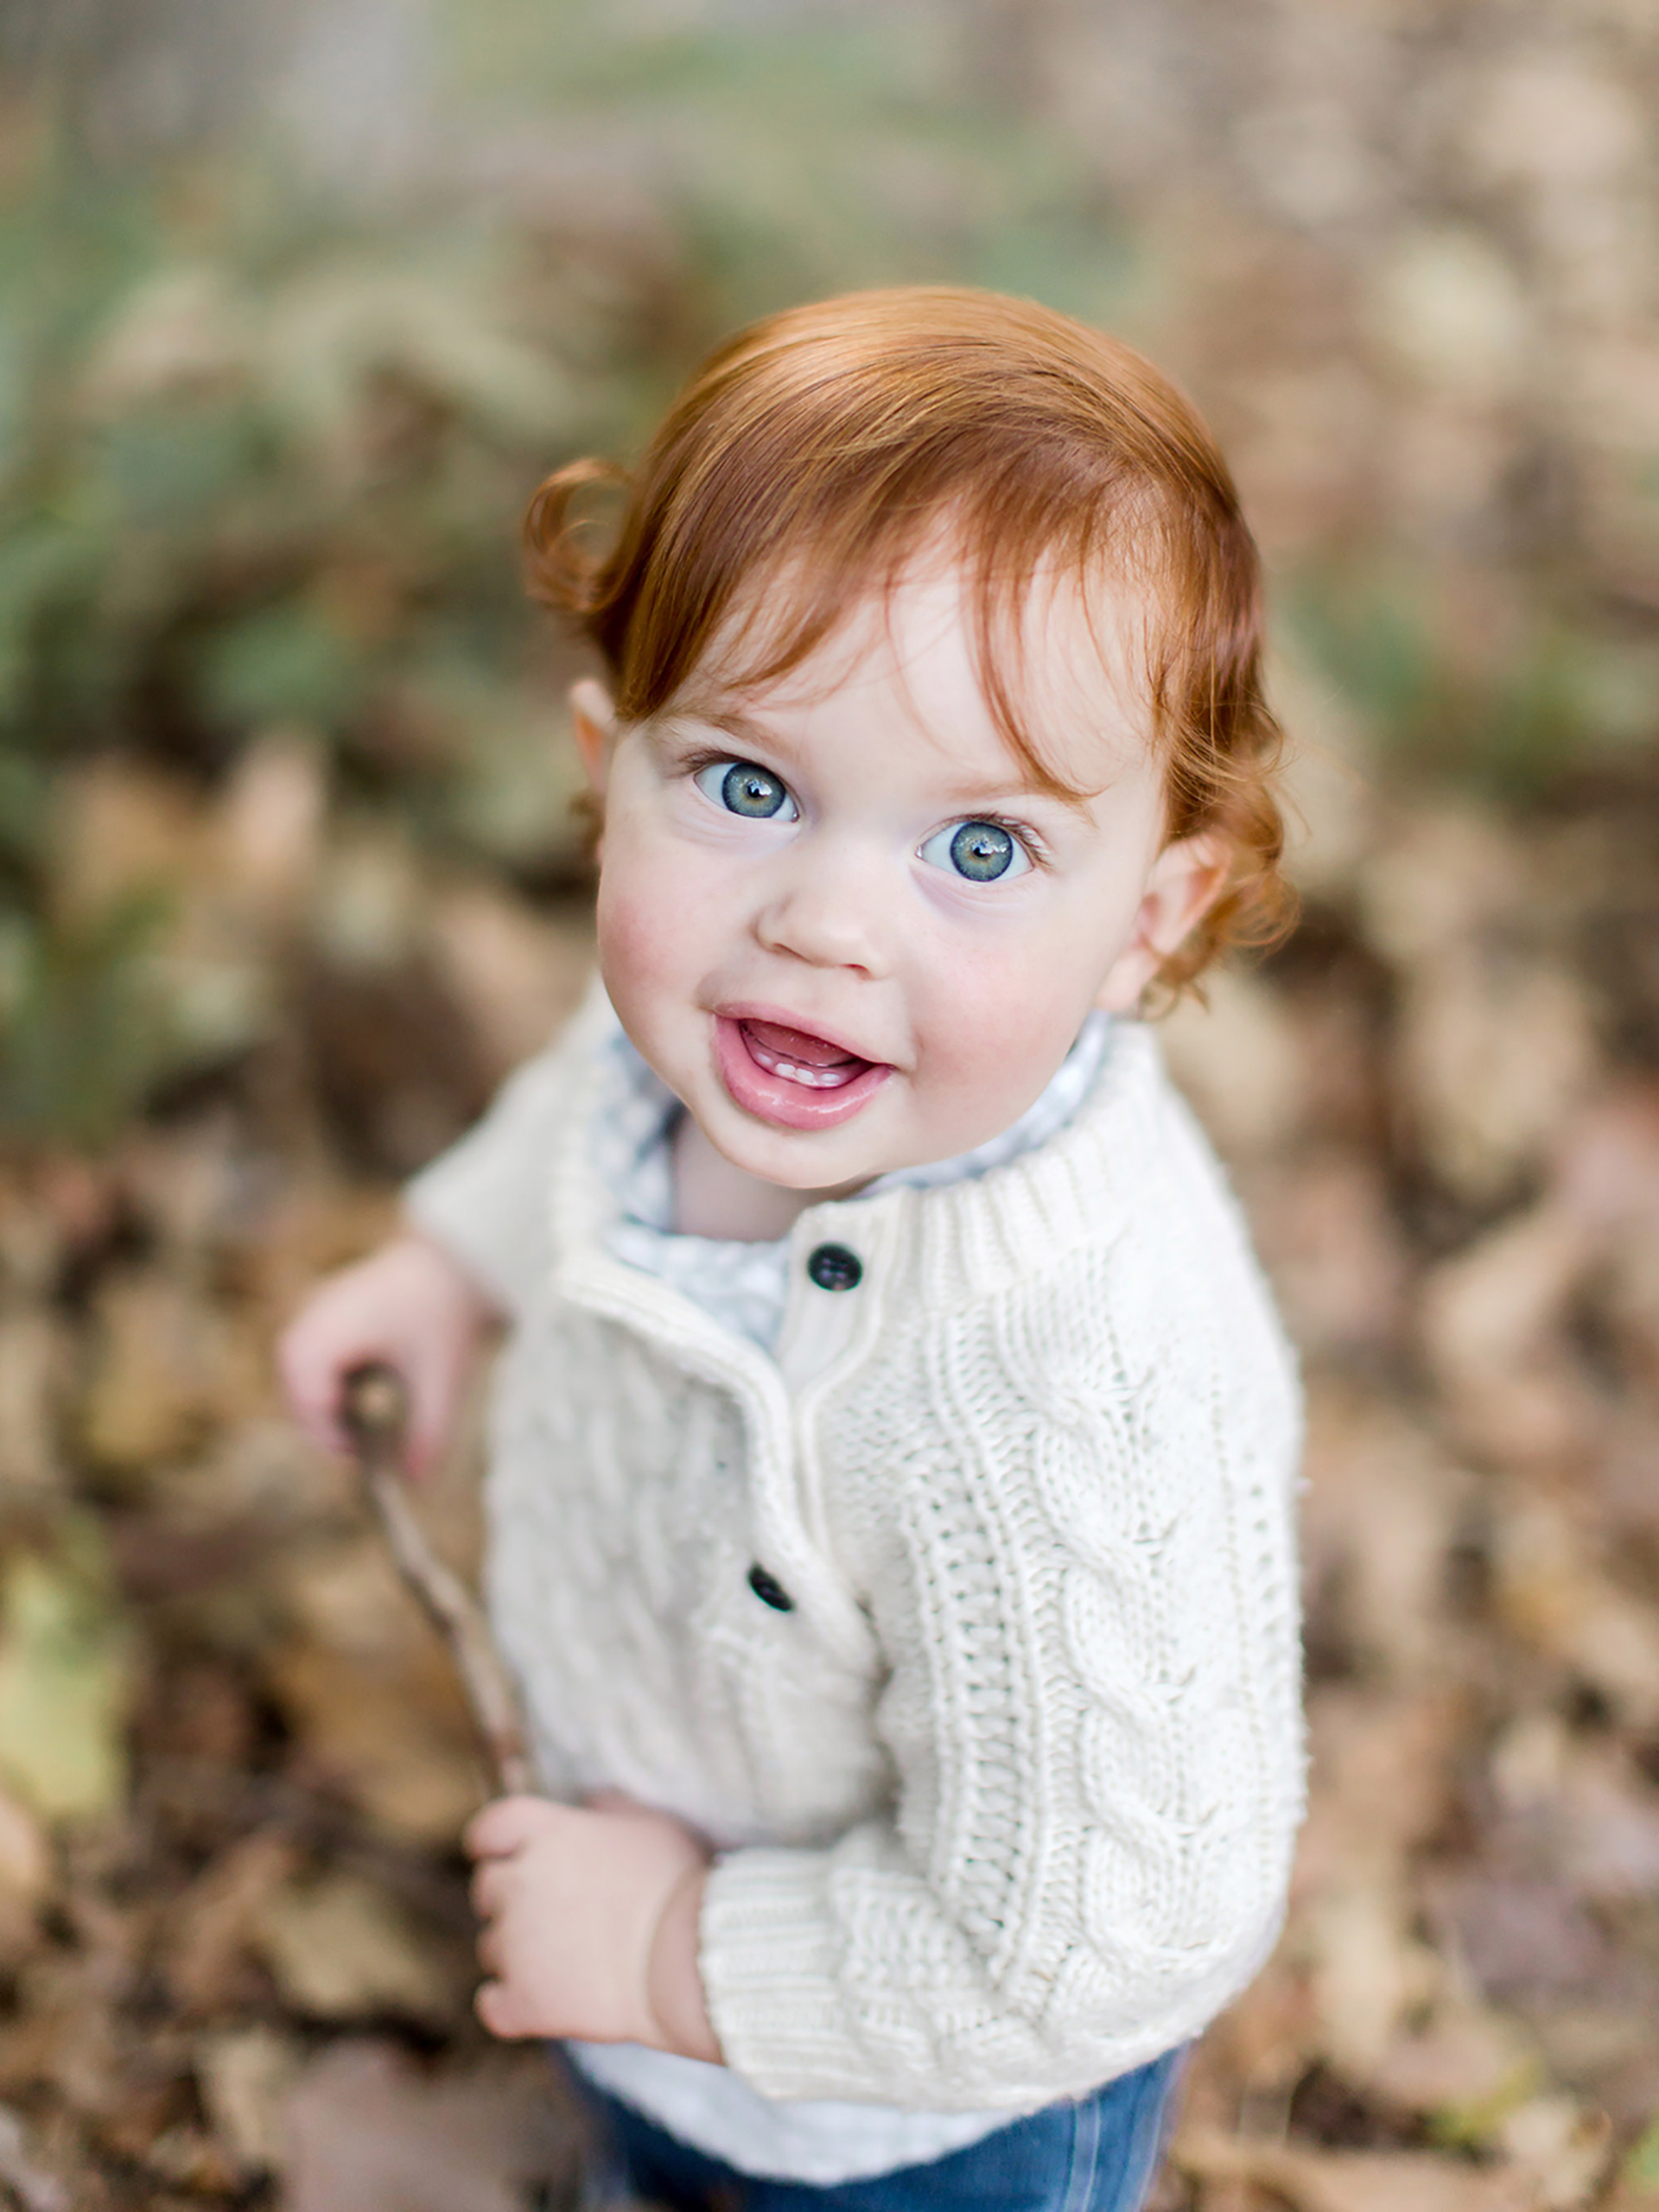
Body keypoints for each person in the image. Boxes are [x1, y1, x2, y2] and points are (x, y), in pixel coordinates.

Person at [279, 286, 1305, 2212]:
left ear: (1155, 917)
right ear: (611, 764)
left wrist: (680, 1955)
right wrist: (447, 1265)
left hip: (926, 2116)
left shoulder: (1066, 1392)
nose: (823, 921)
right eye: (746, 787)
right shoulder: (705, 1041)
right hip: (626, 1910)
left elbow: (1100, 1934)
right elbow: (582, 1118)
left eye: (978, 850)